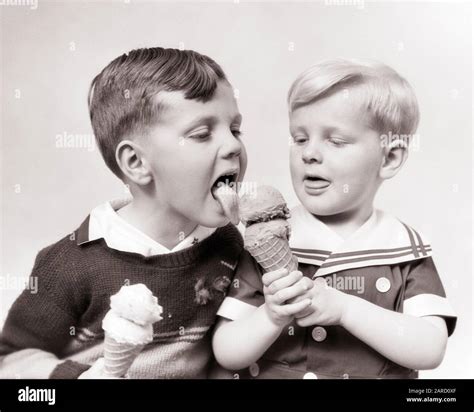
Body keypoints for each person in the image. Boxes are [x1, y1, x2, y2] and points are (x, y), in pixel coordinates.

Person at [0, 47, 248, 379]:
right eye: (202, 134)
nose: (233, 146)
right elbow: (12, 360)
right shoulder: (71, 264)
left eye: (235, 130)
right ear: (136, 163)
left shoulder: (228, 244)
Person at [212, 59, 457, 379]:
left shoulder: (402, 248)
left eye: (336, 141)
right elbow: (226, 352)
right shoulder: (267, 238)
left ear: (390, 157)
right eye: (299, 138)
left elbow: (430, 348)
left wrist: (346, 309)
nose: (309, 153)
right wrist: (271, 317)